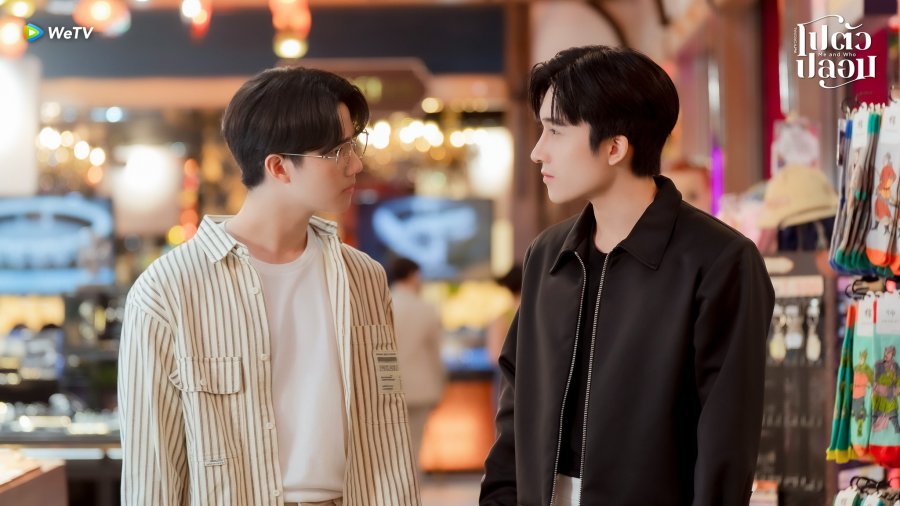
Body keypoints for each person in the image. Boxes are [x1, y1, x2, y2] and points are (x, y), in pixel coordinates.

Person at [480, 45, 775, 506]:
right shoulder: (549, 254)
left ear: (615, 147)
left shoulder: (720, 261)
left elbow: (726, 443)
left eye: (555, 131)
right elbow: (516, 405)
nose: (538, 152)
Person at [118, 66, 421, 506]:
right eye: (338, 151)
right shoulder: (167, 291)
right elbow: (153, 472)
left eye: (355, 145)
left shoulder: (364, 278)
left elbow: (386, 426)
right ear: (279, 167)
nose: (356, 163)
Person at [389, 257, 446, 477]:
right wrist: (440, 386)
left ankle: (391, 492)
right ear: (413, 275)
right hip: (421, 387)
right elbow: (435, 353)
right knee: (414, 446)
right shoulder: (426, 308)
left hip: (389, 387)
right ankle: (411, 492)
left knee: (390, 447)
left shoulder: (382, 304)